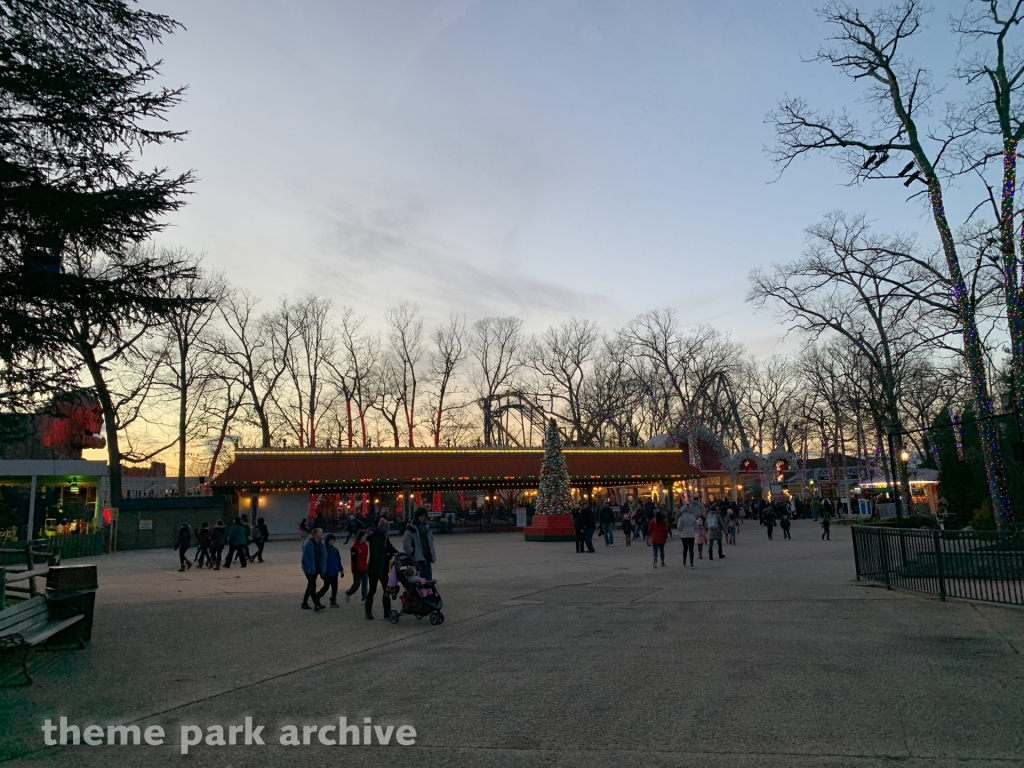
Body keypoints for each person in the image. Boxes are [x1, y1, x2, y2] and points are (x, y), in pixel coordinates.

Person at [365, 518, 397, 620]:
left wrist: (398, 554)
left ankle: (387, 612)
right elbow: (375, 553)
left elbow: (390, 548)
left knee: (386, 589)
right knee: (373, 589)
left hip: (382, 568)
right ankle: (368, 611)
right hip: (374, 568)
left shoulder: (384, 538)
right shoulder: (376, 538)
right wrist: (387, 556)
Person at [403, 507, 437, 581]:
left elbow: (431, 541)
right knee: (420, 581)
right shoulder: (410, 529)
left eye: (424, 516)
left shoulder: (426, 527)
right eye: (421, 516)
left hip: (426, 557)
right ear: (417, 516)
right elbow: (406, 544)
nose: (423, 518)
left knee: (428, 580)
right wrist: (413, 554)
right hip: (417, 559)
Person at [300, 527, 327, 611]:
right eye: (319, 532)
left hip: (317, 568)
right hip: (310, 569)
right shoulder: (309, 544)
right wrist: (308, 566)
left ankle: (304, 603)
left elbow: (324, 556)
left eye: (322, 532)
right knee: (312, 585)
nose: (321, 534)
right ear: (314, 534)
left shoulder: (321, 545)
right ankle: (317, 604)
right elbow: (305, 557)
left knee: (310, 585)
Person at [317, 533, 345, 607]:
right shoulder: (324, 550)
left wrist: (341, 570)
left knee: (335, 587)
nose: (332, 542)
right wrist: (322, 572)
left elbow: (338, 560)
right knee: (326, 586)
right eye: (330, 540)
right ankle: (317, 597)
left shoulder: (335, 550)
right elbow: (321, 561)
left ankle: (333, 600)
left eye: (333, 540)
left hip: (335, 571)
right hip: (327, 572)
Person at [345, 529, 370, 603]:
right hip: (357, 569)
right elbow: (354, 560)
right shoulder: (354, 547)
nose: (365, 538)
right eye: (364, 536)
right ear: (360, 537)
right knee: (357, 584)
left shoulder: (365, 546)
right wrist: (357, 568)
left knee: (365, 583)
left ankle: (364, 598)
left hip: (365, 567)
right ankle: (349, 592)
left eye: (366, 536)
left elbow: (365, 557)